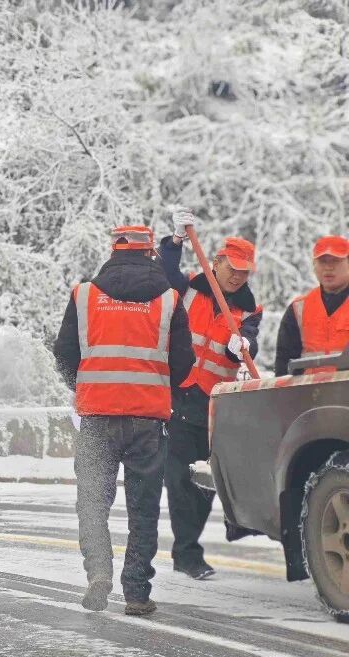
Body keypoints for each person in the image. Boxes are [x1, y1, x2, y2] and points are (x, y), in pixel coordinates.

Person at [54, 225, 194, 616]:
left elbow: (64, 351)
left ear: (113, 251)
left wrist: (84, 386)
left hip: (98, 417)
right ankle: (136, 592)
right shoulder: (169, 300)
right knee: (144, 507)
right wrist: (161, 388)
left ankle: (99, 573)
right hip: (147, 420)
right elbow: (184, 361)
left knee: (93, 502)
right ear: (151, 253)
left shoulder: (84, 295)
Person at [159, 210, 262, 579]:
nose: (237, 275)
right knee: (177, 477)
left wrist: (243, 343)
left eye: (244, 271)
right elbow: (163, 273)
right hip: (179, 396)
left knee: (205, 480)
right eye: (232, 267)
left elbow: (251, 346)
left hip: (215, 403)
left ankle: (188, 548)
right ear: (216, 262)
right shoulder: (186, 288)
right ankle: (187, 552)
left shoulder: (249, 309)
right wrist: (174, 242)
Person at [274, 236, 349, 376]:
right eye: (322, 261)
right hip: (309, 394)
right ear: (314, 265)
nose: (328, 267)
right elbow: (283, 365)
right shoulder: (298, 309)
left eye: (336, 260)